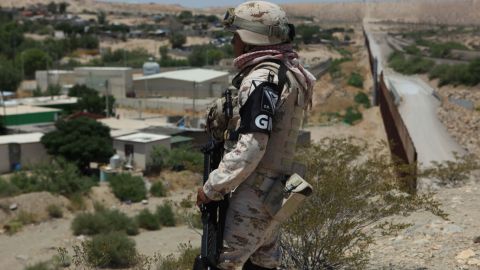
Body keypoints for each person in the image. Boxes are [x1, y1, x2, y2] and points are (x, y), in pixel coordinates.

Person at [196, 1, 315, 269]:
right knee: (261, 265)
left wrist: (213, 188)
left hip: (253, 195)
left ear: (251, 40)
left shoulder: (261, 79)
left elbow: (252, 145)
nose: (233, 43)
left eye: (236, 36)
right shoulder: (289, 73)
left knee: (220, 263)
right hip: (275, 192)